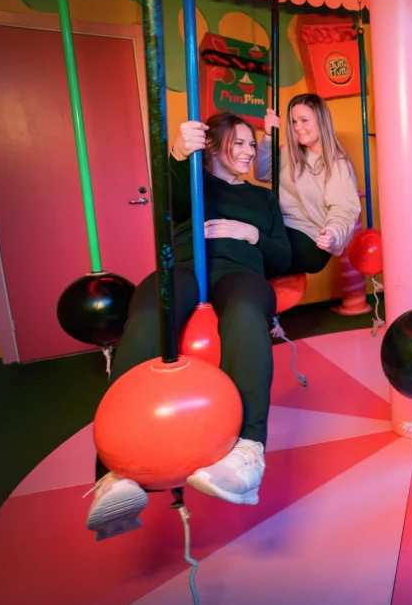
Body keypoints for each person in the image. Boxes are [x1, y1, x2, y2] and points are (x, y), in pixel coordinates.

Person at [85, 111, 292, 541]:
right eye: (238, 143)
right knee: (147, 316)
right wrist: (180, 155)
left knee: (246, 316)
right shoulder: (195, 182)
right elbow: (172, 202)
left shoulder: (263, 199)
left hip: (240, 272)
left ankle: (249, 452)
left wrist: (248, 233)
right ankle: (111, 473)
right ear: (213, 147)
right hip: (184, 266)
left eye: (253, 145)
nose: (249, 152)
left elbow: (284, 256)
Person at [255, 93, 362, 275]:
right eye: (294, 122)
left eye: (304, 120)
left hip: (312, 239)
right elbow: (262, 173)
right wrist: (267, 136)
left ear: (321, 120)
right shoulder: (290, 152)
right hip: (283, 228)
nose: (298, 127)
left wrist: (333, 233)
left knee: (254, 252)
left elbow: (344, 209)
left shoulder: (336, 163)